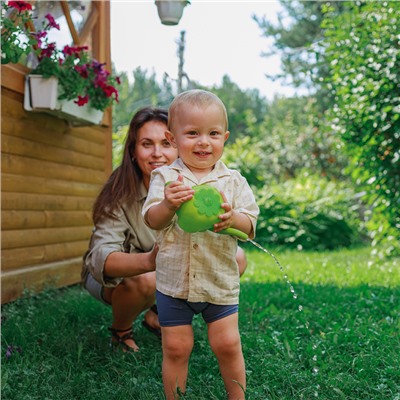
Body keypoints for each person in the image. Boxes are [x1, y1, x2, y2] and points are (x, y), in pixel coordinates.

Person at [81, 106, 248, 353]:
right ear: (133, 151)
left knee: (238, 258)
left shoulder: (199, 184)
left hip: (167, 270)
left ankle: (156, 315)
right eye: (147, 144)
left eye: (165, 144)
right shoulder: (118, 194)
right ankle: (121, 331)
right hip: (119, 279)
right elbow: (100, 259)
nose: (157, 153)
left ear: (177, 144)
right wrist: (150, 261)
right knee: (147, 280)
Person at [142, 90, 259, 400]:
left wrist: (232, 218)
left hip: (218, 281)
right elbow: (152, 219)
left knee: (227, 344)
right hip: (174, 283)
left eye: (213, 133)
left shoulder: (233, 181)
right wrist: (168, 205)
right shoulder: (165, 178)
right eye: (192, 133)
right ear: (172, 138)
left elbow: (249, 228)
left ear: (225, 137)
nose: (204, 142)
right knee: (177, 347)